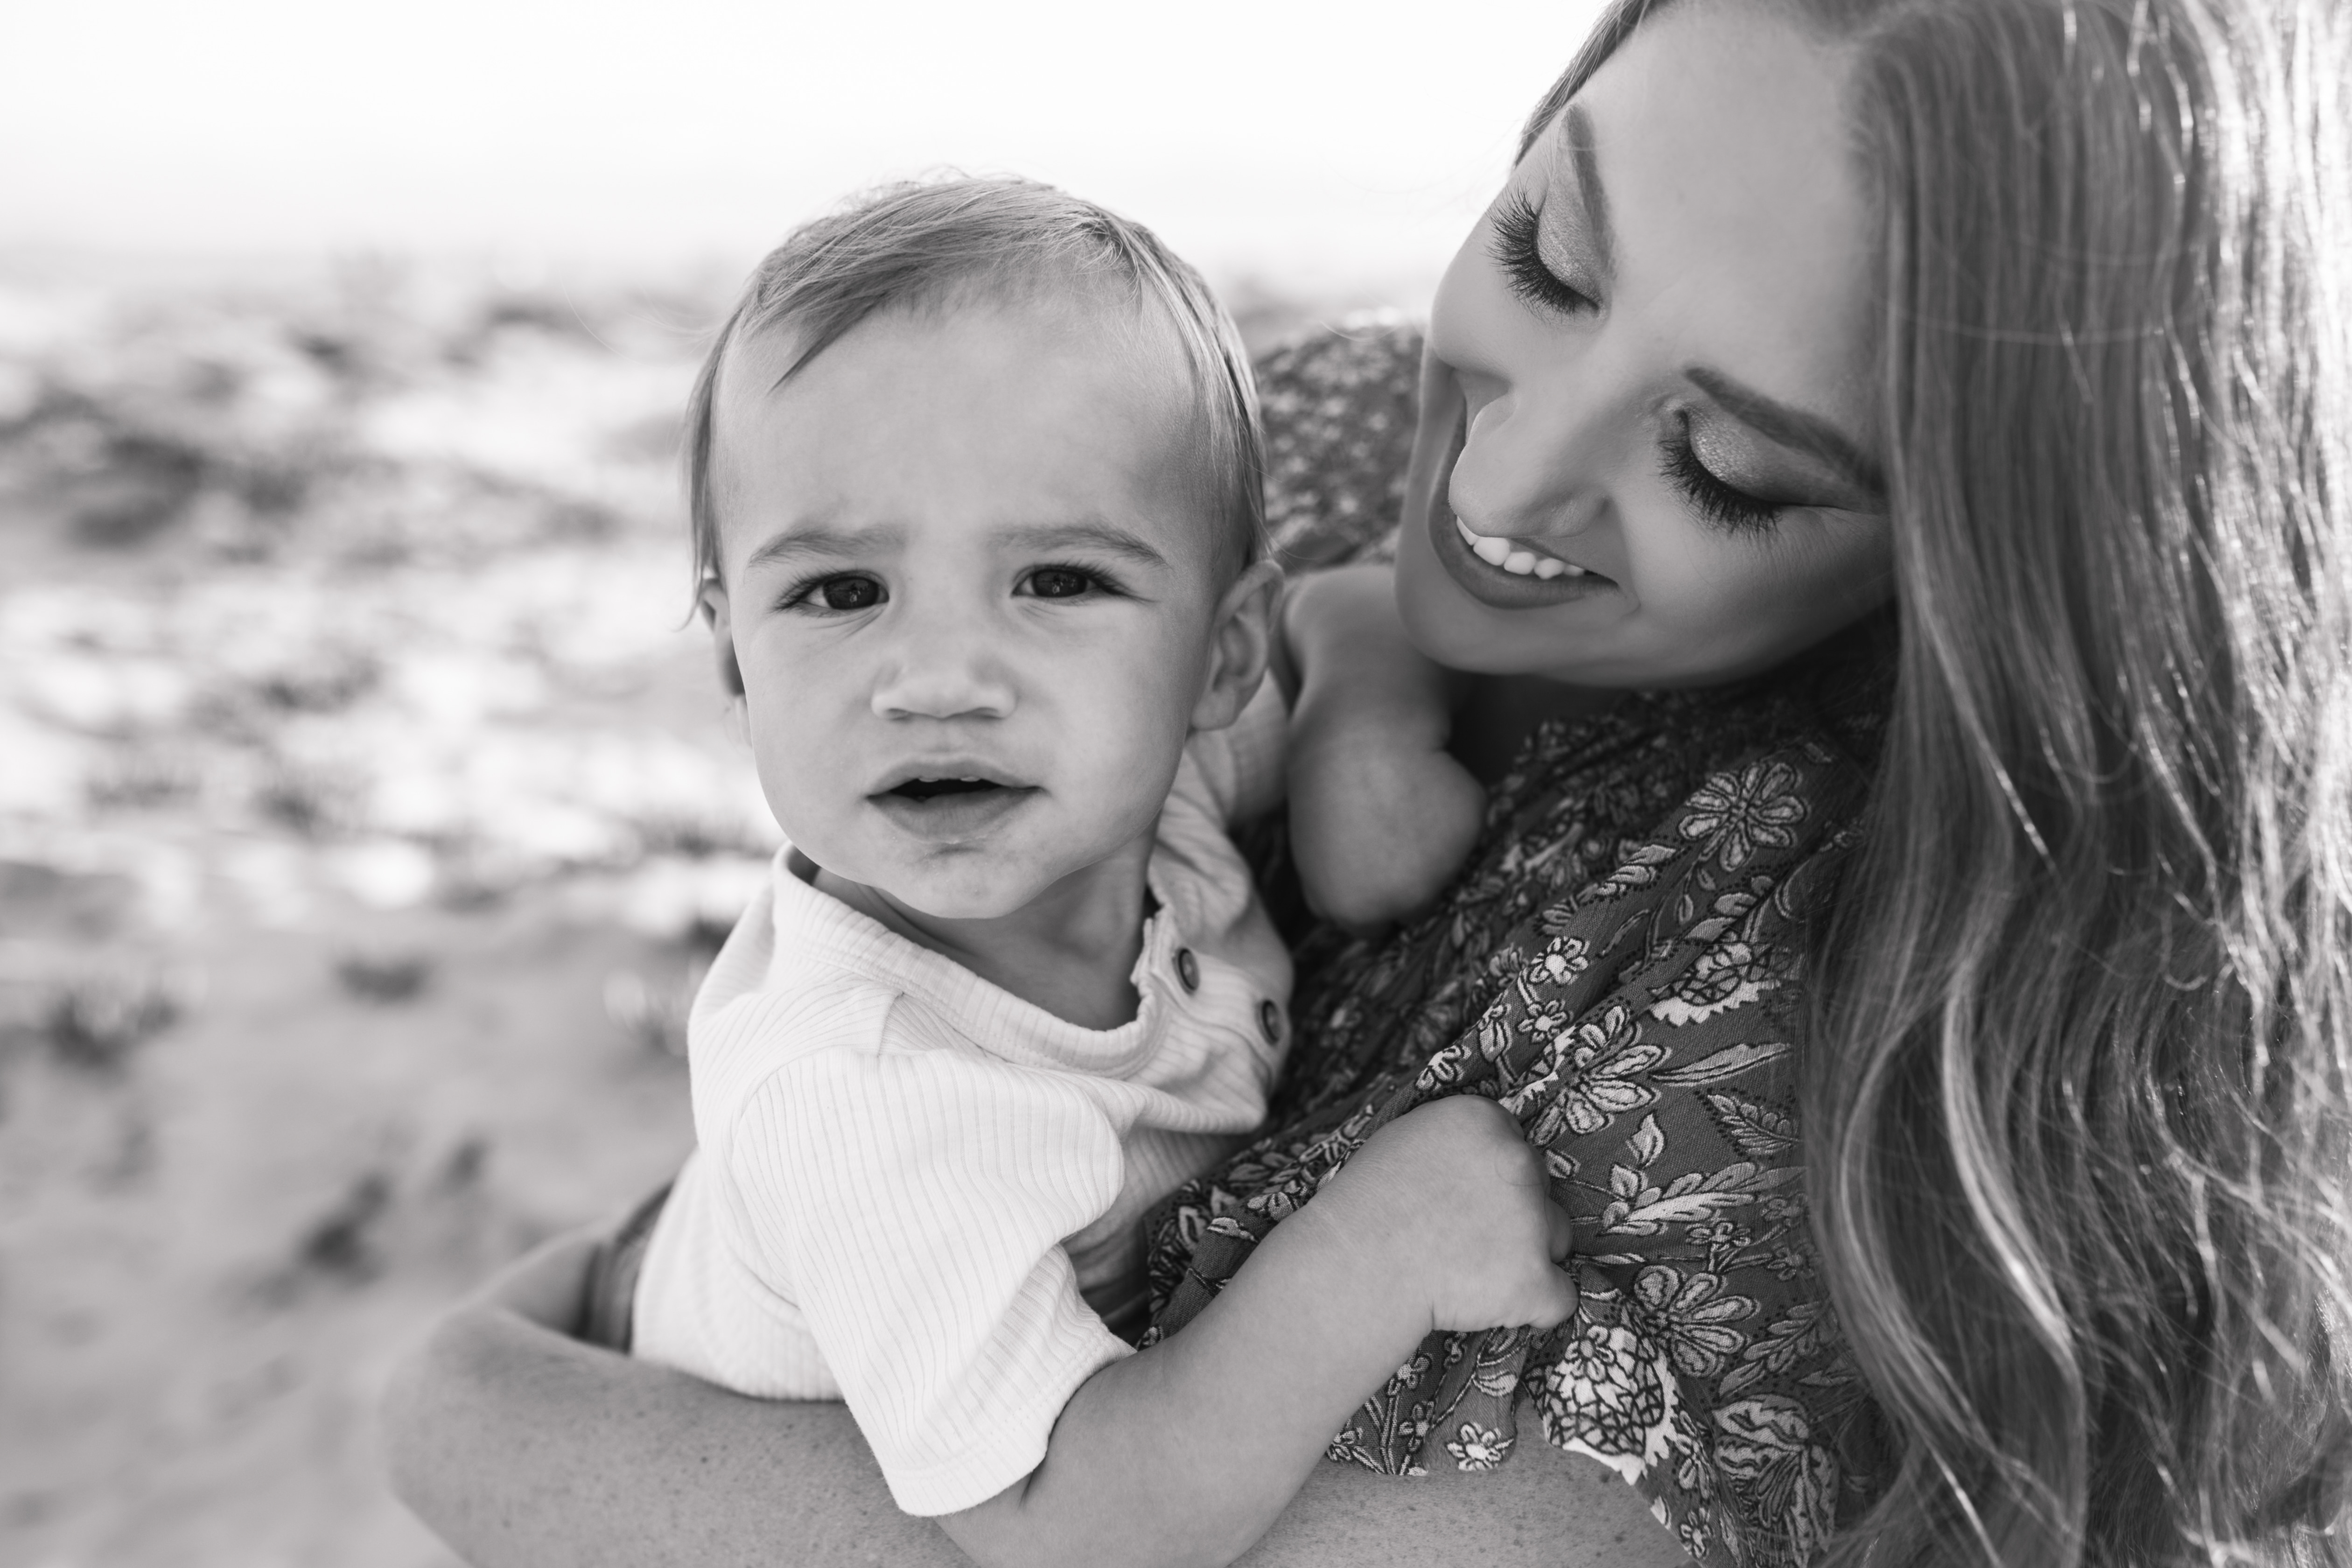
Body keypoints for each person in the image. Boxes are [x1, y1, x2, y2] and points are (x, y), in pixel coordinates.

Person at [383, 0, 2352, 1565]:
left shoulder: (1824, 999)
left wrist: (483, 1411)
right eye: (1548, 258)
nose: (1487, 493)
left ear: (1985, 572)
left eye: (1732, 471)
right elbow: (855, 1120)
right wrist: (1359, 712)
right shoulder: (1291, 444)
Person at [559, 175, 1583, 1568]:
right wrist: (1381, 1254)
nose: (938, 682)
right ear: (735, 649)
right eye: (840, 592)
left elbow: (1345, 613)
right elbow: (1077, 1531)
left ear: (1216, 657)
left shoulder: (1146, 794)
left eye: (1056, 581)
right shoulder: (874, 1100)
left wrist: (1361, 741)